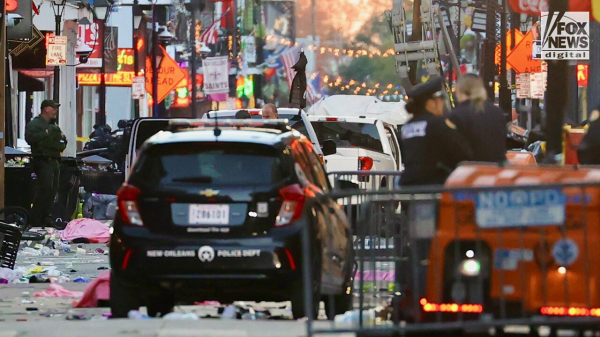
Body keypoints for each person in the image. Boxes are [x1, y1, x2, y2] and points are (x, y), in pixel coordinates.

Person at [399, 77, 472, 186]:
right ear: (431, 103)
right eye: (441, 99)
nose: (443, 103)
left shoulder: (407, 126)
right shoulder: (437, 124)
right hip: (433, 187)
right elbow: (461, 153)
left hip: (408, 186)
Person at [25, 100, 68, 228]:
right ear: (46, 109)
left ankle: (46, 217)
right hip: (43, 160)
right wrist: (45, 134)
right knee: (45, 188)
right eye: (54, 108)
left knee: (53, 190)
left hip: (54, 160)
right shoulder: (36, 124)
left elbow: (62, 141)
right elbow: (30, 138)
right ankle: (35, 218)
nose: (56, 111)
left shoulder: (53, 126)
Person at [449, 73, 507, 163]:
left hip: (470, 171)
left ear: (460, 90)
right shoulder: (497, 112)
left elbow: (454, 149)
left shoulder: (457, 115)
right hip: (496, 171)